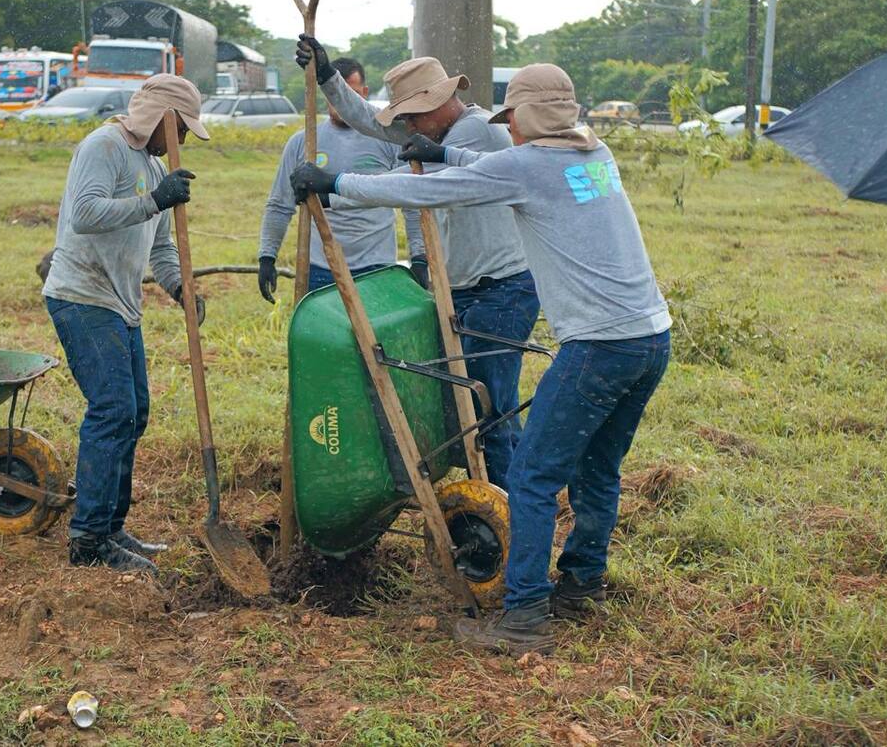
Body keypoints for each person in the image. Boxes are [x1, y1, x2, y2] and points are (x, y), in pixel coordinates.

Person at [291, 63, 671, 656]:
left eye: (512, 118)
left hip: (598, 347)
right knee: (597, 466)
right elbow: (493, 172)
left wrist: (335, 183)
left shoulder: (527, 164)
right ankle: (582, 581)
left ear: (526, 117)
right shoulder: (596, 154)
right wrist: (445, 154)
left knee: (531, 474)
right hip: (651, 337)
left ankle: (522, 618)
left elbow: (421, 192)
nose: (508, 128)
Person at [296, 35, 539, 488]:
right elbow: (371, 121)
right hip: (467, 289)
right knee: (473, 402)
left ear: (439, 102)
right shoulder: (434, 132)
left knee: (487, 406)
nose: (404, 126)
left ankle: (509, 507)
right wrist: (328, 77)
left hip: (501, 290)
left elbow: (413, 186)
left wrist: (333, 187)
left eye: (410, 116)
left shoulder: (477, 132)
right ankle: (495, 497)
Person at [42, 74, 210, 574]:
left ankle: (111, 527)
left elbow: (158, 246)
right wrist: (155, 199)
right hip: (82, 296)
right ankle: (88, 540)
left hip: (120, 302)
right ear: (162, 117)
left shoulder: (154, 163)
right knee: (113, 408)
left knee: (134, 413)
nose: (181, 141)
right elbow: (86, 215)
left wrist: (180, 286)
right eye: (180, 129)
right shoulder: (104, 146)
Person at [257, 57, 425, 299]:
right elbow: (279, 205)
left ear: (364, 93)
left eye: (350, 94)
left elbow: (412, 201)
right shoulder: (303, 142)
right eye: (334, 95)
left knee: (375, 335)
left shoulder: (389, 140)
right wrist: (267, 256)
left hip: (377, 265)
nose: (340, 104)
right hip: (321, 266)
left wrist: (419, 257)